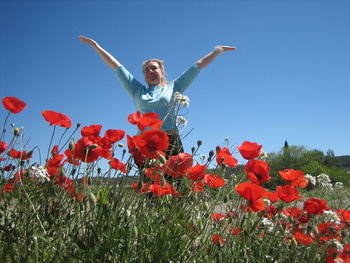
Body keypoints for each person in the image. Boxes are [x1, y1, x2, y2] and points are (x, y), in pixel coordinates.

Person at [79, 35, 236, 163]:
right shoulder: (136, 90)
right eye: (146, 70)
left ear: (161, 71)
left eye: (154, 68)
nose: (150, 71)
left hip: (171, 140)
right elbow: (117, 67)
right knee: (150, 189)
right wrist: (96, 47)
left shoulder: (174, 87)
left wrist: (218, 51)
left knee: (174, 186)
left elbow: (197, 66)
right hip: (145, 144)